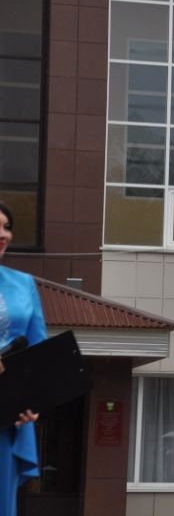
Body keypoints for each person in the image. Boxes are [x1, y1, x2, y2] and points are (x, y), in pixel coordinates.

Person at [0, 202, 47, 516]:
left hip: (6, 414)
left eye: (6, 226)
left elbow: (39, 353)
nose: (3, 234)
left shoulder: (24, 284)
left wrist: (34, 402)